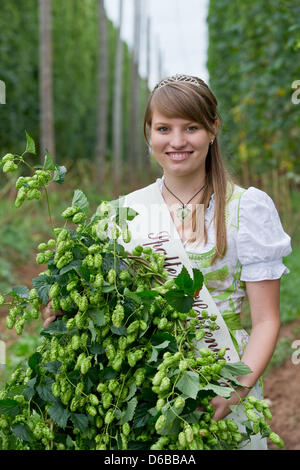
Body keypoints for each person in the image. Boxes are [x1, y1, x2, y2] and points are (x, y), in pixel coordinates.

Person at [42, 74, 292, 449]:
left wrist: (236, 391)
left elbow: (267, 320)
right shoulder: (121, 213)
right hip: (142, 384)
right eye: (164, 128)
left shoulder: (246, 209)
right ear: (148, 133)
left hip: (220, 374)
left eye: (191, 127)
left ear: (213, 130)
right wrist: (62, 312)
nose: (176, 141)